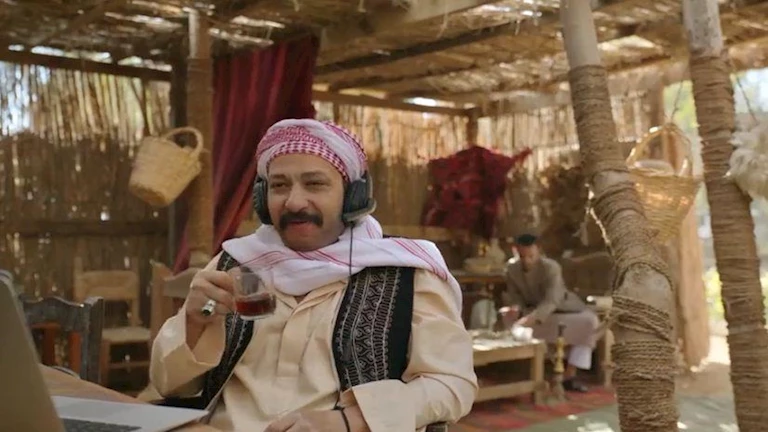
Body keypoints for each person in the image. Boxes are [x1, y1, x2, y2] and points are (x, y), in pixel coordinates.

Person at [150, 119, 478, 432]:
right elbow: (168, 385)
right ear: (263, 199)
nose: (294, 202)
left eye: (315, 184)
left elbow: (451, 384)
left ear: (353, 196)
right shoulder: (234, 263)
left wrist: (350, 421)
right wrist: (195, 325)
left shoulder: (407, 273)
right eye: (279, 186)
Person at [502, 233, 600, 392]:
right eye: (522, 256)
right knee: (507, 320)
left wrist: (531, 319)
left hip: (560, 309)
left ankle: (570, 374)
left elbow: (552, 300)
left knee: (589, 322)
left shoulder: (551, 267)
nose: (527, 261)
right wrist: (516, 309)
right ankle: (524, 371)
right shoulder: (511, 268)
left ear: (539, 251)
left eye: (531, 256)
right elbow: (515, 296)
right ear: (516, 252)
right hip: (531, 311)